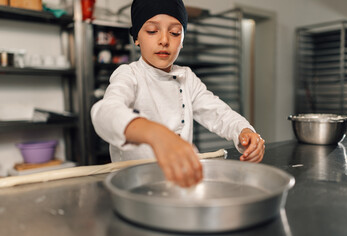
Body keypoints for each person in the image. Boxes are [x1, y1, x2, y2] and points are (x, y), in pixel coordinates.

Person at [91, 0, 265, 188]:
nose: (164, 40)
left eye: (174, 33)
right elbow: (105, 113)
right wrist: (155, 134)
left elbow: (218, 112)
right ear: (136, 38)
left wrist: (244, 131)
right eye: (152, 31)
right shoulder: (129, 74)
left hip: (177, 183)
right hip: (135, 186)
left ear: (182, 41)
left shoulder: (186, 78)